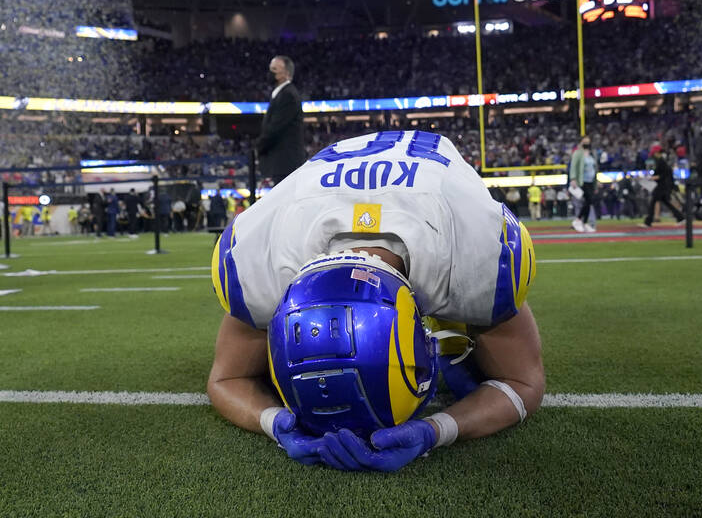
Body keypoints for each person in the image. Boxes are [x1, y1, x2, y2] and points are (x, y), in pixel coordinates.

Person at [206, 130, 543, 473]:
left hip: (428, 179)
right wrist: (276, 423)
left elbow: (523, 382)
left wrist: (434, 431)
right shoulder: (263, 261)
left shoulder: (473, 253)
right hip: (328, 190)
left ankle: (451, 336)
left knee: (469, 363)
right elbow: (226, 379)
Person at [255, 55, 307, 186]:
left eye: (274, 69)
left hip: (285, 163)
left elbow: (275, 128)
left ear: (286, 73)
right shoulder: (280, 93)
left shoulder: (288, 95)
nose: (270, 73)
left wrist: (259, 146)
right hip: (282, 162)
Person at [643, 144, 684, 226]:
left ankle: (648, 222)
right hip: (663, 186)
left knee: (653, 202)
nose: (653, 154)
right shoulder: (661, 161)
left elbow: (664, 174)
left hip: (661, 186)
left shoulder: (661, 161)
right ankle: (680, 217)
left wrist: (654, 177)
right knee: (666, 203)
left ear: (657, 152)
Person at [569, 134, 599, 233]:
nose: (586, 144)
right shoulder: (578, 153)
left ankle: (584, 222)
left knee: (589, 202)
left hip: (591, 181)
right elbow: (573, 166)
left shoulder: (592, 153)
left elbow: (595, 168)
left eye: (588, 142)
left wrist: (596, 180)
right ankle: (578, 220)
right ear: (581, 143)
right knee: (588, 200)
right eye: (584, 142)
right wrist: (573, 178)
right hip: (582, 181)